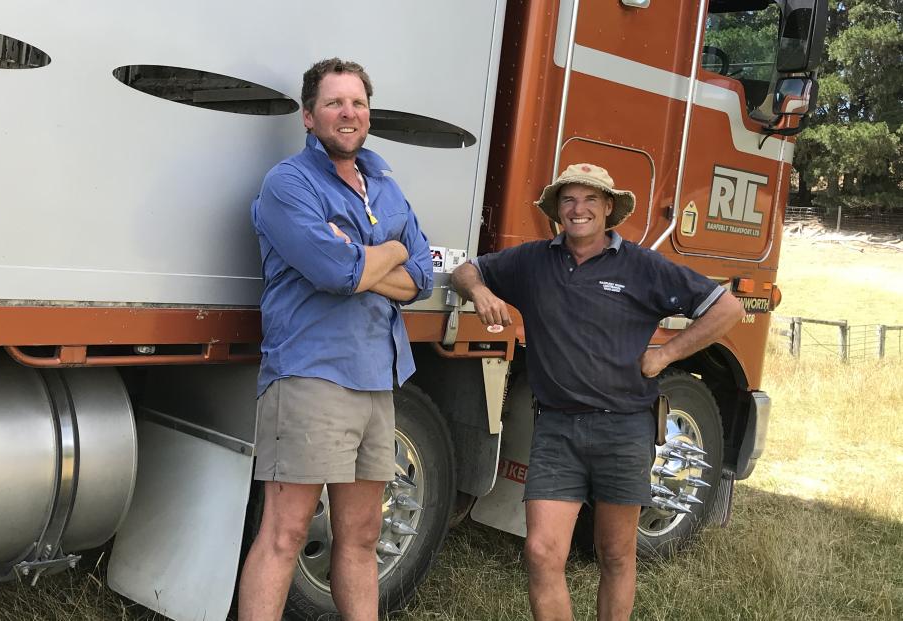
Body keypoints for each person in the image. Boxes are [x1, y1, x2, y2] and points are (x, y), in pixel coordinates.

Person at [451, 163, 743, 621]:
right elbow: (465, 271)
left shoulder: (642, 266)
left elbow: (727, 308)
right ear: (557, 210)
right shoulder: (533, 261)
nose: (579, 209)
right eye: (569, 199)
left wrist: (666, 356)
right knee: (542, 553)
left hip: (624, 429)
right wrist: (482, 292)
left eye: (590, 199)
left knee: (615, 554)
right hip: (557, 429)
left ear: (609, 208)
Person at [238, 58, 433, 621]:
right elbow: (334, 273)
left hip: (379, 375)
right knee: (286, 531)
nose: (348, 113)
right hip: (310, 374)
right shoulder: (289, 184)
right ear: (308, 116)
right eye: (334, 103)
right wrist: (382, 254)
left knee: (364, 533)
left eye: (358, 103)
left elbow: (420, 273)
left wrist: (376, 254)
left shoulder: (385, 184)